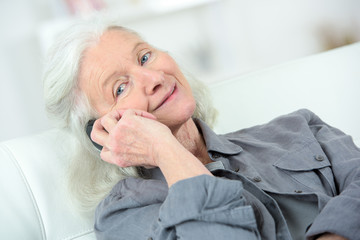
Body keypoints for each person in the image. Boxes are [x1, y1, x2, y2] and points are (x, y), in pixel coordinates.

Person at [43, 18, 360, 240]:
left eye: (144, 56)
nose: (153, 78)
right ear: (101, 134)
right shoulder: (122, 216)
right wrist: (164, 148)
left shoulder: (300, 127)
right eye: (121, 88)